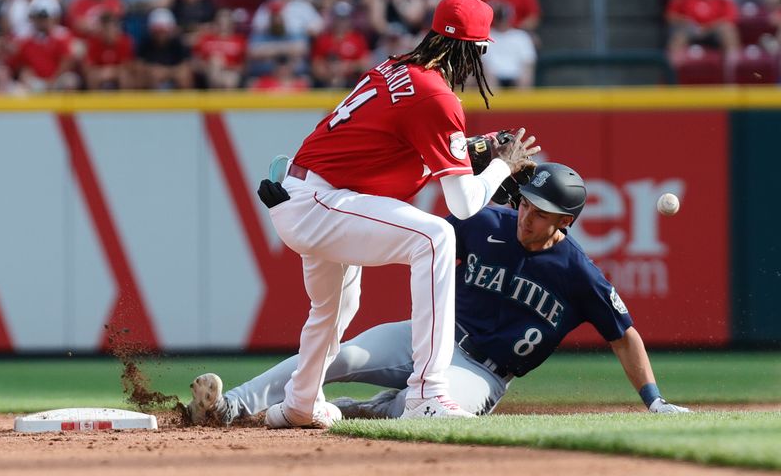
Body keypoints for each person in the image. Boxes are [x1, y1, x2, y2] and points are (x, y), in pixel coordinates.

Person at [187, 0, 540, 429]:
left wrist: (475, 151)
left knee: (334, 308)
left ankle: (300, 403)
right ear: (474, 49)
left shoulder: (396, 67)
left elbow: (392, 153)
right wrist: (502, 164)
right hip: (322, 203)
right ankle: (428, 393)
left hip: (307, 195)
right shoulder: (437, 96)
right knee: (436, 238)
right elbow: (464, 204)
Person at [186, 162, 689, 425]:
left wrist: (655, 400)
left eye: (540, 213)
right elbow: (413, 240)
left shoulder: (579, 272)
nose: (526, 216)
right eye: (526, 204)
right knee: (332, 355)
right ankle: (226, 406)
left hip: (482, 373)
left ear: (566, 221)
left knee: (406, 410)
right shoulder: (488, 221)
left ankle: (340, 411)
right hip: (428, 336)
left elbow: (624, 336)